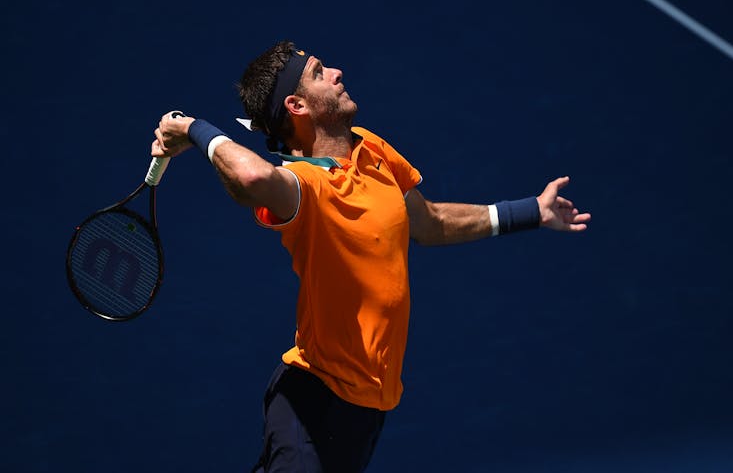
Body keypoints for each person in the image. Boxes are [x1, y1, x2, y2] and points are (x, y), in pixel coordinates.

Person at [151, 40, 590, 472]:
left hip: (367, 408)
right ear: (297, 106)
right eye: (319, 73)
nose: (337, 72)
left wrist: (530, 211)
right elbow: (250, 176)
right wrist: (192, 128)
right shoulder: (301, 185)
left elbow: (429, 222)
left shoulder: (371, 148)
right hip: (313, 402)